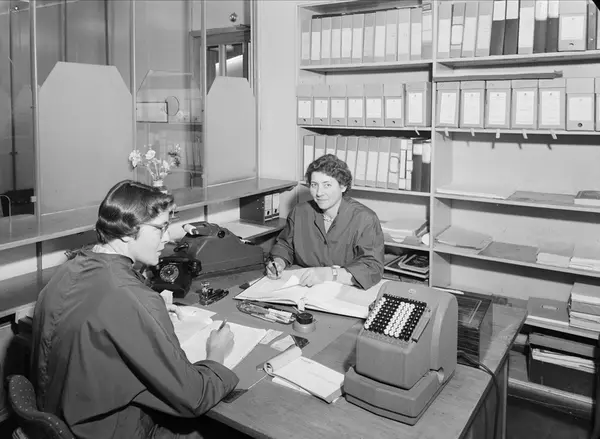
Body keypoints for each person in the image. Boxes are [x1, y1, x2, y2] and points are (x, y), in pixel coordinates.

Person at [30, 180, 240, 439]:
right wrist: (216, 353)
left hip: (61, 416)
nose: (167, 238)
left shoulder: (68, 269)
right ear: (127, 231)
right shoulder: (131, 296)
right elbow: (194, 397)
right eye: (161, 228)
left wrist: (147, 308)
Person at [266, 154, 384, 290]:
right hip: (303, 287)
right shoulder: (299, 212)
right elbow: (285, 246)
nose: (319, 193)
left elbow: (373, 267)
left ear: (343, 186)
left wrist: (329, 274)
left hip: (345, 289)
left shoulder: (365, 218)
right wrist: (278, 263)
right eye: (314, 185)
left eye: (327, 185)